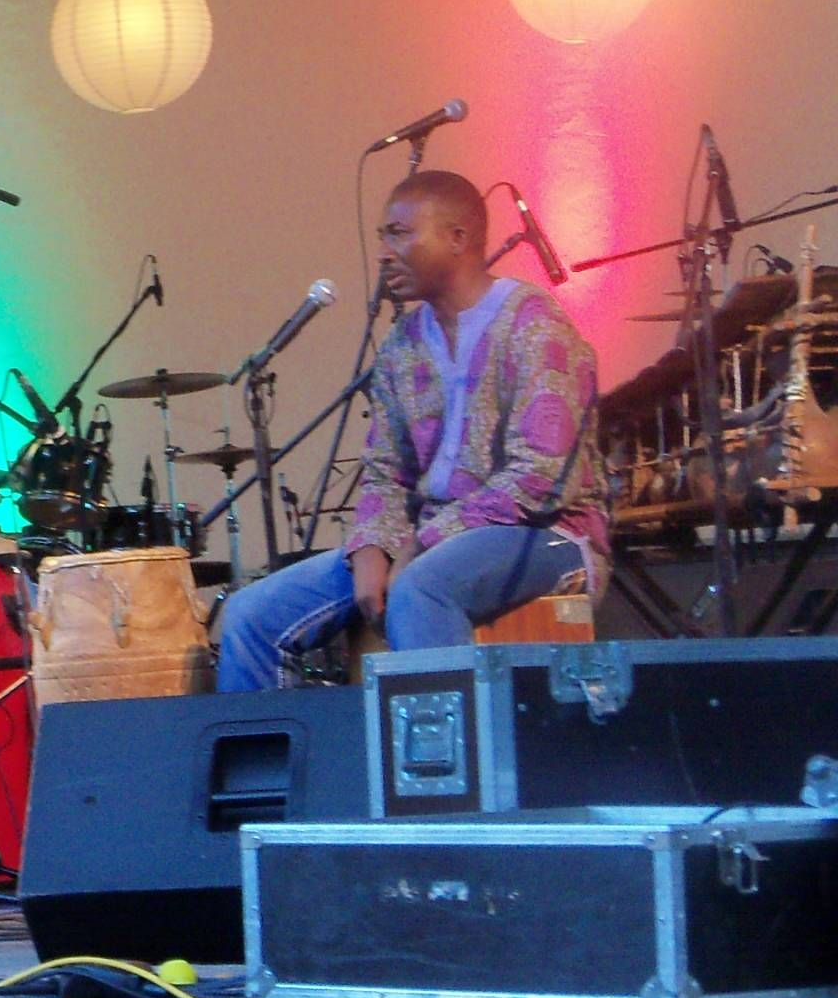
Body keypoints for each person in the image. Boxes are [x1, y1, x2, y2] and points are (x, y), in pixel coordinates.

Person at [216, 170, 607, 690]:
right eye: (382, 235)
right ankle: (270, 770)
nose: (383, 251)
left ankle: (446, 762)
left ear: (458, 238)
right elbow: (384, 473)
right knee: (248, 617)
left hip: (552, 537)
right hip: (426, 544)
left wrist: (419, 544)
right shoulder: (402, 345)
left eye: (399, 233)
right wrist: (371, 549)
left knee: (422, 589)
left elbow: (541, 477)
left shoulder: (535, 325)